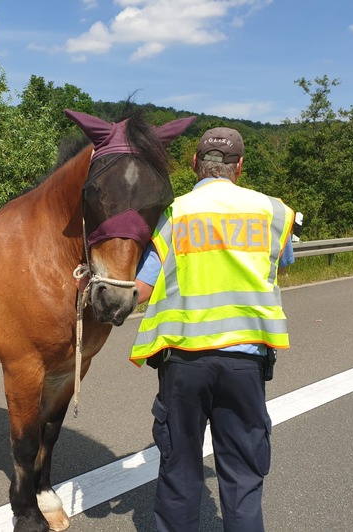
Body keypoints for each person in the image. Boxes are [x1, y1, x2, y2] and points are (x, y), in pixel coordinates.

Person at [131, 127, 295, 532]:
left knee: (180, 470)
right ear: (240, 166)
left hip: (184, 363)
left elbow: (140, 290)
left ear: (194, 164)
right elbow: (284, 259)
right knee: (242, 472)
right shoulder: (273, 211)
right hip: (245, 362)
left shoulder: (175, 213)